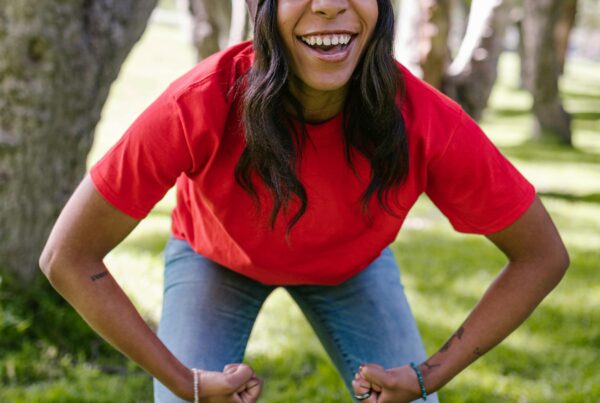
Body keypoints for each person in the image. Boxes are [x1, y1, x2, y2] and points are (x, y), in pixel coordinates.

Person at [39, 0, 569, 402]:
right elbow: (67, 256)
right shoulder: (199, 102)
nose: (329, 4)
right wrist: (187, 383)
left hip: (352, 268)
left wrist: (426, 374)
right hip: (214, 258)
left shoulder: (425, 120)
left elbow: (542, 255)